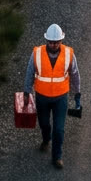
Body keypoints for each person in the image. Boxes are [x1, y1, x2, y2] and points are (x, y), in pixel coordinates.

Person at [26, 24, 76, 170]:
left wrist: (77, 92)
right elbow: (30, 72)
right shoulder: (36, 53)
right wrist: (26, 91)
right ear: (46, 40)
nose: (54, 45)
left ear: (61, 40)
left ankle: (57, 157)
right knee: (44, 123)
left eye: (57, 42)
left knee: (59, 129)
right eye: (51, 42)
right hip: (42, 97)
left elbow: (75, 73)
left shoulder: (68, 53)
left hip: (61, 97)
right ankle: (46, 139)